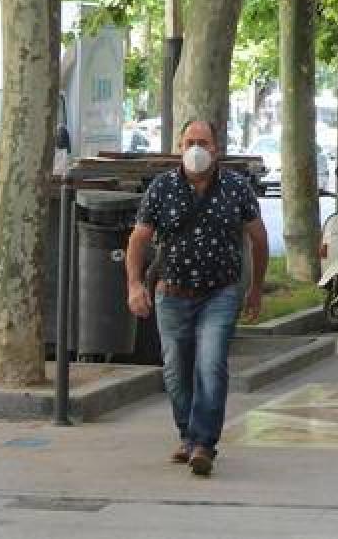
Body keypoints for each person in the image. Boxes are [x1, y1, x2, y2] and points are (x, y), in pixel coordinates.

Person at [125, 119, 268, 477]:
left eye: (203, 142)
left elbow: (259, 239)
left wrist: (255, 289)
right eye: (190, 142)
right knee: (176, 372)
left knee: (211, 365)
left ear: (216, 148)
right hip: (171, 294)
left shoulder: (236, 188)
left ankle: (204, 443)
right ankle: (188, 435)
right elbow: (139, 239)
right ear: (179, 146)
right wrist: (134, 285)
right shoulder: (162, 188)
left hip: (219, 294)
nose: (196, 149)